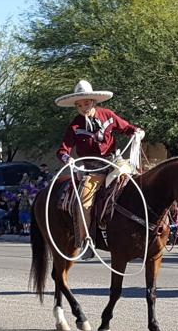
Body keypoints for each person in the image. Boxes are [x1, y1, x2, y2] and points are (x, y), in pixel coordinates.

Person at [55, 80, 143, 254]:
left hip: (113, 162)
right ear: (76, 106)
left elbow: (126, 128)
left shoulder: (108, 115)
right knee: (84, 201)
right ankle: (85, 241)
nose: (83, 107)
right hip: (92, 168)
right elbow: (62, 150)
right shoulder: (75, 125)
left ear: (93, 102)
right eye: (79, 105)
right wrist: (68, 159)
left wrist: (137, 131)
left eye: (86, 103)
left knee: (139, 183)